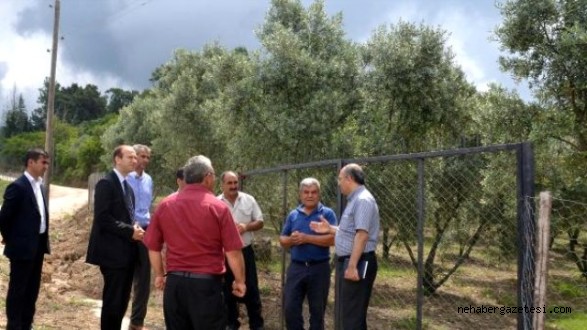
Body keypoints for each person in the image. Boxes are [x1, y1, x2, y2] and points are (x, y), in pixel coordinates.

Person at [144, 155, 246, 330]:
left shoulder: (165, 205)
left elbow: (153, 246)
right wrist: (240, 281)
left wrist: (160, 274)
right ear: (207, 177)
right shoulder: (218, 207)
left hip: (175, 286)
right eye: (213, 174)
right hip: (206, 287)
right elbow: (233, 252)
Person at [310, 164, 379, 330]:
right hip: (350, 261)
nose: (339, 183)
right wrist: (330, 229)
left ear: (349, 179)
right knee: (351, 315)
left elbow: (362, 235)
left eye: (340, 179)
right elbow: (352, 231)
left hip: (357, 262)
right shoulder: (356, 199)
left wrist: (352, 266)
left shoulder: (362, 200)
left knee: (351, 318)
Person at [86, 145, 145, 330]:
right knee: (113, 302)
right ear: (117, 159)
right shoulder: (106, 183)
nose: (135, 161)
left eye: (136, 158)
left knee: (121, 302)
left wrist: (134, 227)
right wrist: (130, 231)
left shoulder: (127, 186)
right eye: (130, 157)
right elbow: (103, 218)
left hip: (126, 254)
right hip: (112, 255)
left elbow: (125, 216)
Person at [0, 148, 50, 330]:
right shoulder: (18, 186)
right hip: (21, 248)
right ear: (31, 162)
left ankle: (26, 324)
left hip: (37, 246)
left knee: (32, 289)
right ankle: (14, 326)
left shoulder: (41, 186)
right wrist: (9, 238)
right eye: (43, 162)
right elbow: (4, 217)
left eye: (47, 162)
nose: (46, 166)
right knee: (18, 290)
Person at [279, 178, 336, 330]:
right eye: (306, 192)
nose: (310, 195)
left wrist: (307, 238)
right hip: (296, 268)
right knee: (290, 308)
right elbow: (282, 239)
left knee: (317, 313)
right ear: (300, 194)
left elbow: (333, 239)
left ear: (319, 194)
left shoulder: (327, 214)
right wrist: (292, 239)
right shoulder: (293, 215)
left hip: (319, 269)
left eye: (313, 192)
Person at [218, 171, 265, 330]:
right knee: (226, 292)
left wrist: (246, 227)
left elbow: (260, 222)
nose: (233, 186)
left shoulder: (248, 199)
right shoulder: (216, 203)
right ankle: (231, 324)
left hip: (245, 253)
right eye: (229, 183)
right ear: (222, 185)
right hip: (223, 255)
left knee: (251, 290)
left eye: (235, 182)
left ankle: (256, 325)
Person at [126, 144, 154, 330]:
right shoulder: (124, 179)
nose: (144, 160)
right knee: (124, 277)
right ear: (133, 157)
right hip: (127, 232)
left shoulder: (149, 180)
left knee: (144, 280)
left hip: (145, 232)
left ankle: (137, 322)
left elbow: (147, 207)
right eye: (141, 156)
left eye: (147, 157)